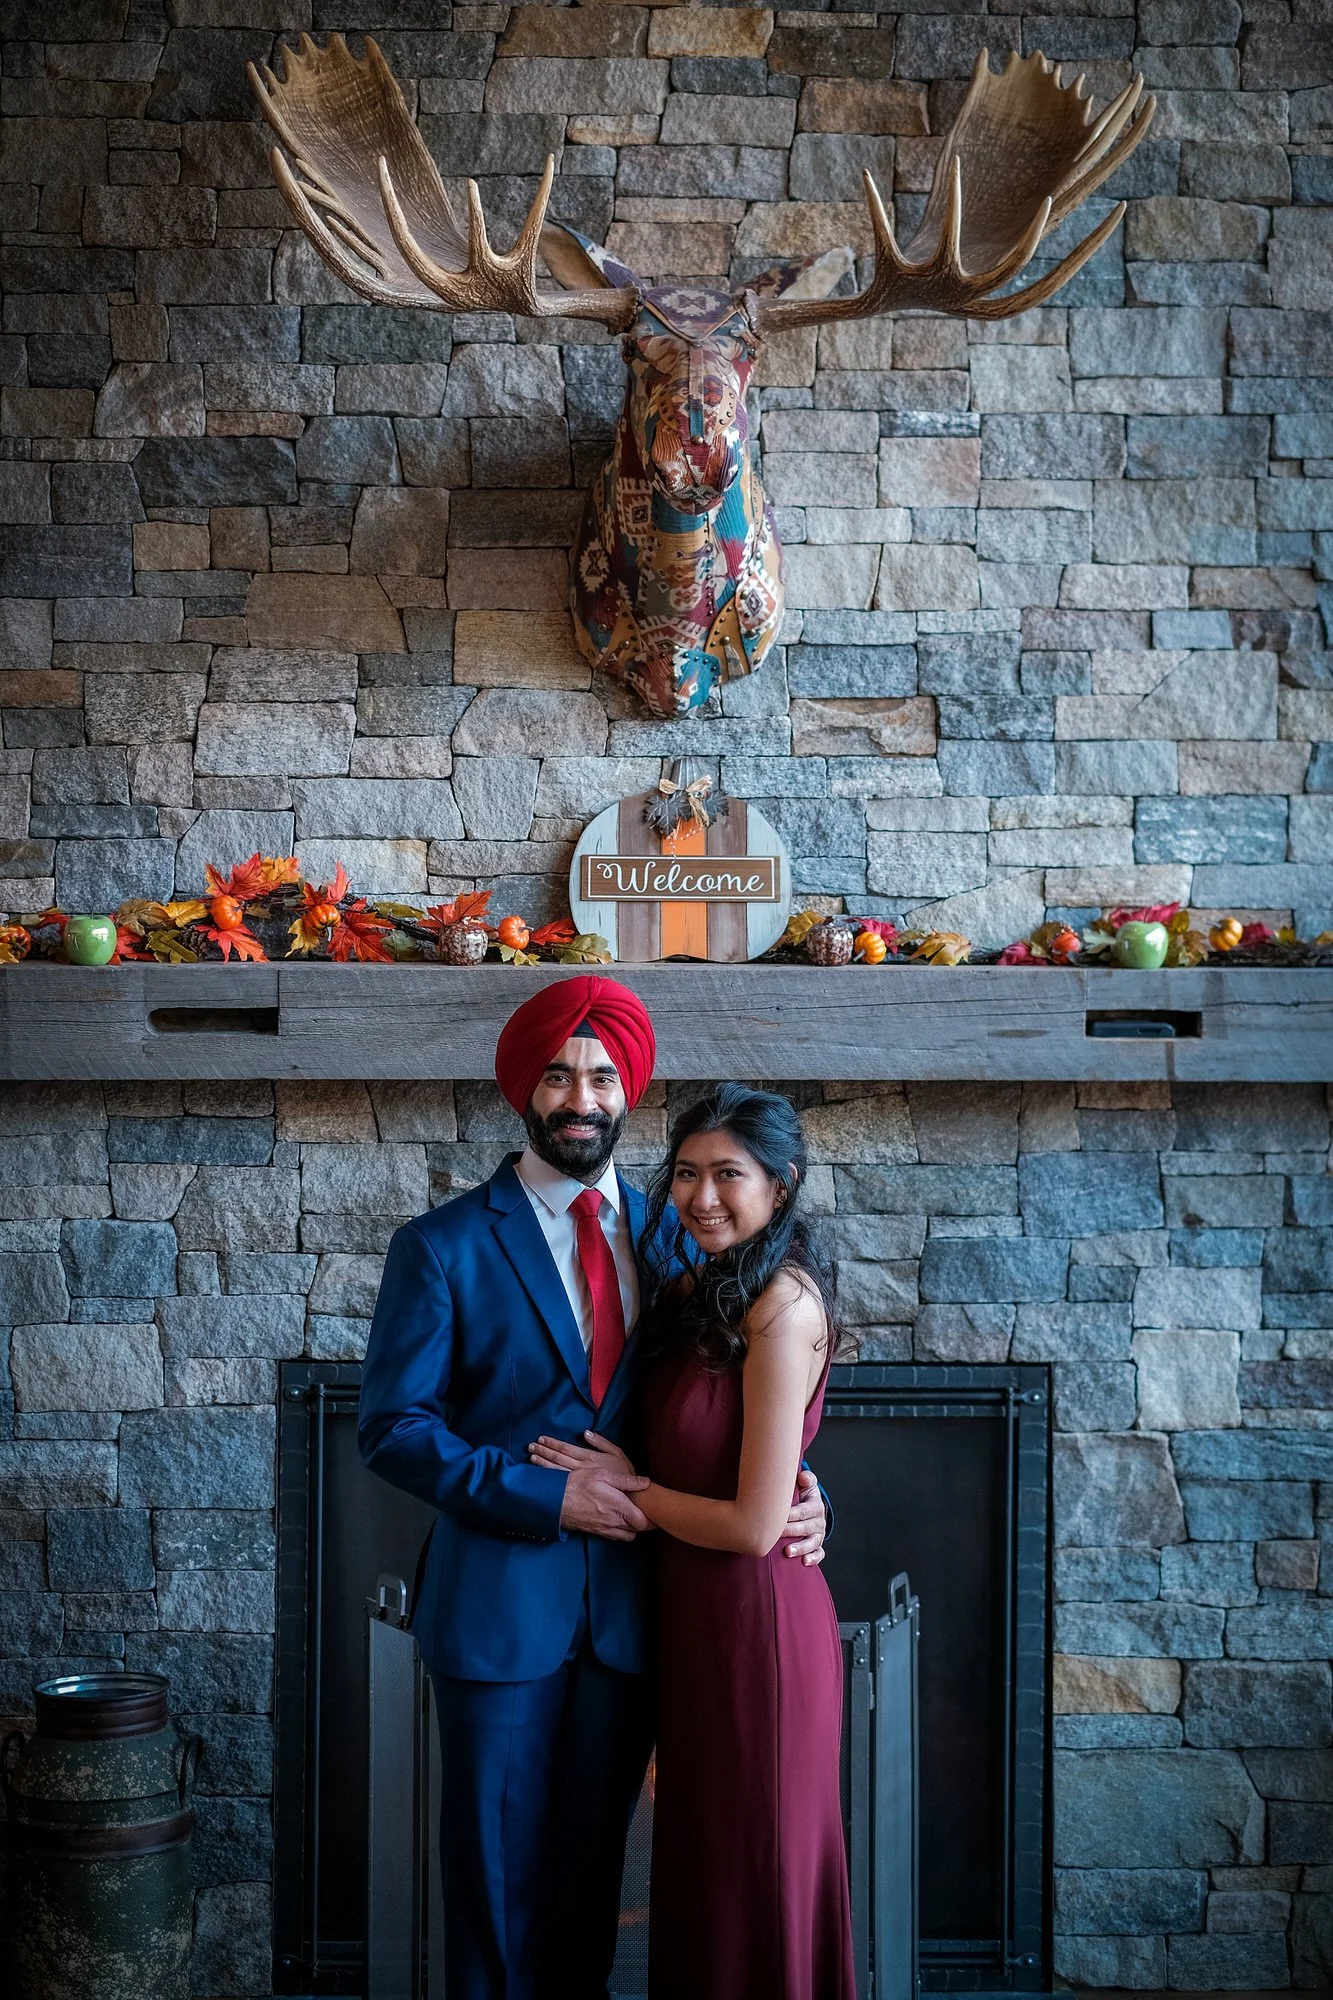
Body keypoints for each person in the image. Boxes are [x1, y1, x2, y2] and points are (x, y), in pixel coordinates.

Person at [358, 979, 829, 2000]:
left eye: (604, 1074)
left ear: (629, 1092)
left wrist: (800, 1481)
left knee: (587, 1894)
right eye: (560, 1072)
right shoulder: (438, 1245)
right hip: (496, 1615)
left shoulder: (677, 1237)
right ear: (525, 1087)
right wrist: (548, 1498)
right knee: (493, 1894)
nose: (582, 1094)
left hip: (633, 1620)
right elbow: (391, 1430)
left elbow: (732, 1392)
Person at [531, 1083, 856, 2000]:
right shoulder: (696, 1281)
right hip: (692, 1628)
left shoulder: (781, 1307)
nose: (701, 1196)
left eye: (728, 1176)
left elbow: (756, 1525)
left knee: (756, 1877)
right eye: (685, 1173)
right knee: (708, 1877)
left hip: (758, 1633)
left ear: (781, 1186)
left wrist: (626, 1489)